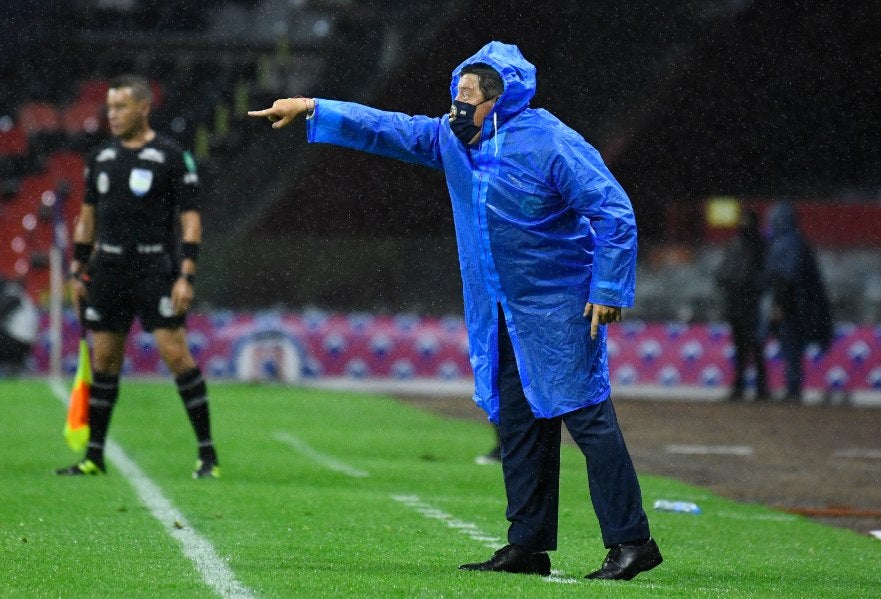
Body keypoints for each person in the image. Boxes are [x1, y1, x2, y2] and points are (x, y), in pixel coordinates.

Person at [249, 41, 661, 580]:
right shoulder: (452, 138)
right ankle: (528, 546)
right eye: (455, 94)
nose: (455, 107)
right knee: (519, 426)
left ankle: (632, 542)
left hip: (558, 306)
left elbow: (613, 210)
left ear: (500, 99)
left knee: (588, 420)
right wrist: (312, 107)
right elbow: (388, 128)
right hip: (499, 309)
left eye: (466, 97)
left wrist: (607, 288)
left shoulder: (552, 143)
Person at [56, 75, 220, 479]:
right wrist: (78, 269)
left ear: (144, 108)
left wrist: (186, 274)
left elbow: (191, 221)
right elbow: (87, 219)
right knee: (105, 359)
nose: (111, 115)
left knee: (176, 354)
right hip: (108, 269)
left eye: (120, 107)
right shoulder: (101, 158)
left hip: (153, 268)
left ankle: (208, 455)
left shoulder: (170, 156)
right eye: (109, 107)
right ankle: (93, 456)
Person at [759, 201, 832, 403]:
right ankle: (792, 388)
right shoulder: (789, 241)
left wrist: (779, 306)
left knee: (791, 347)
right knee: (789, 348)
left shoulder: (788, 243)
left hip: (792, 305)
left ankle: (793, 389)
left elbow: (785, 278)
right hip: (794, 303)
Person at [714, 208, 769, 401]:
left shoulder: (759, 246)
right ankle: (741, 387)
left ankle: (760, 389)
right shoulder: (740, 244)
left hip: (750, 302)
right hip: (739, 301)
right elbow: (722, 273)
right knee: (742, 347)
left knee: (754, 346)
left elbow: (763, 275)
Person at [0, 275, 38, 375]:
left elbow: (2, 311)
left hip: (18, 344)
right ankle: (15, 366)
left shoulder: (13, 295)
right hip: (21, 342)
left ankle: (15, 367)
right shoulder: (18, 294)